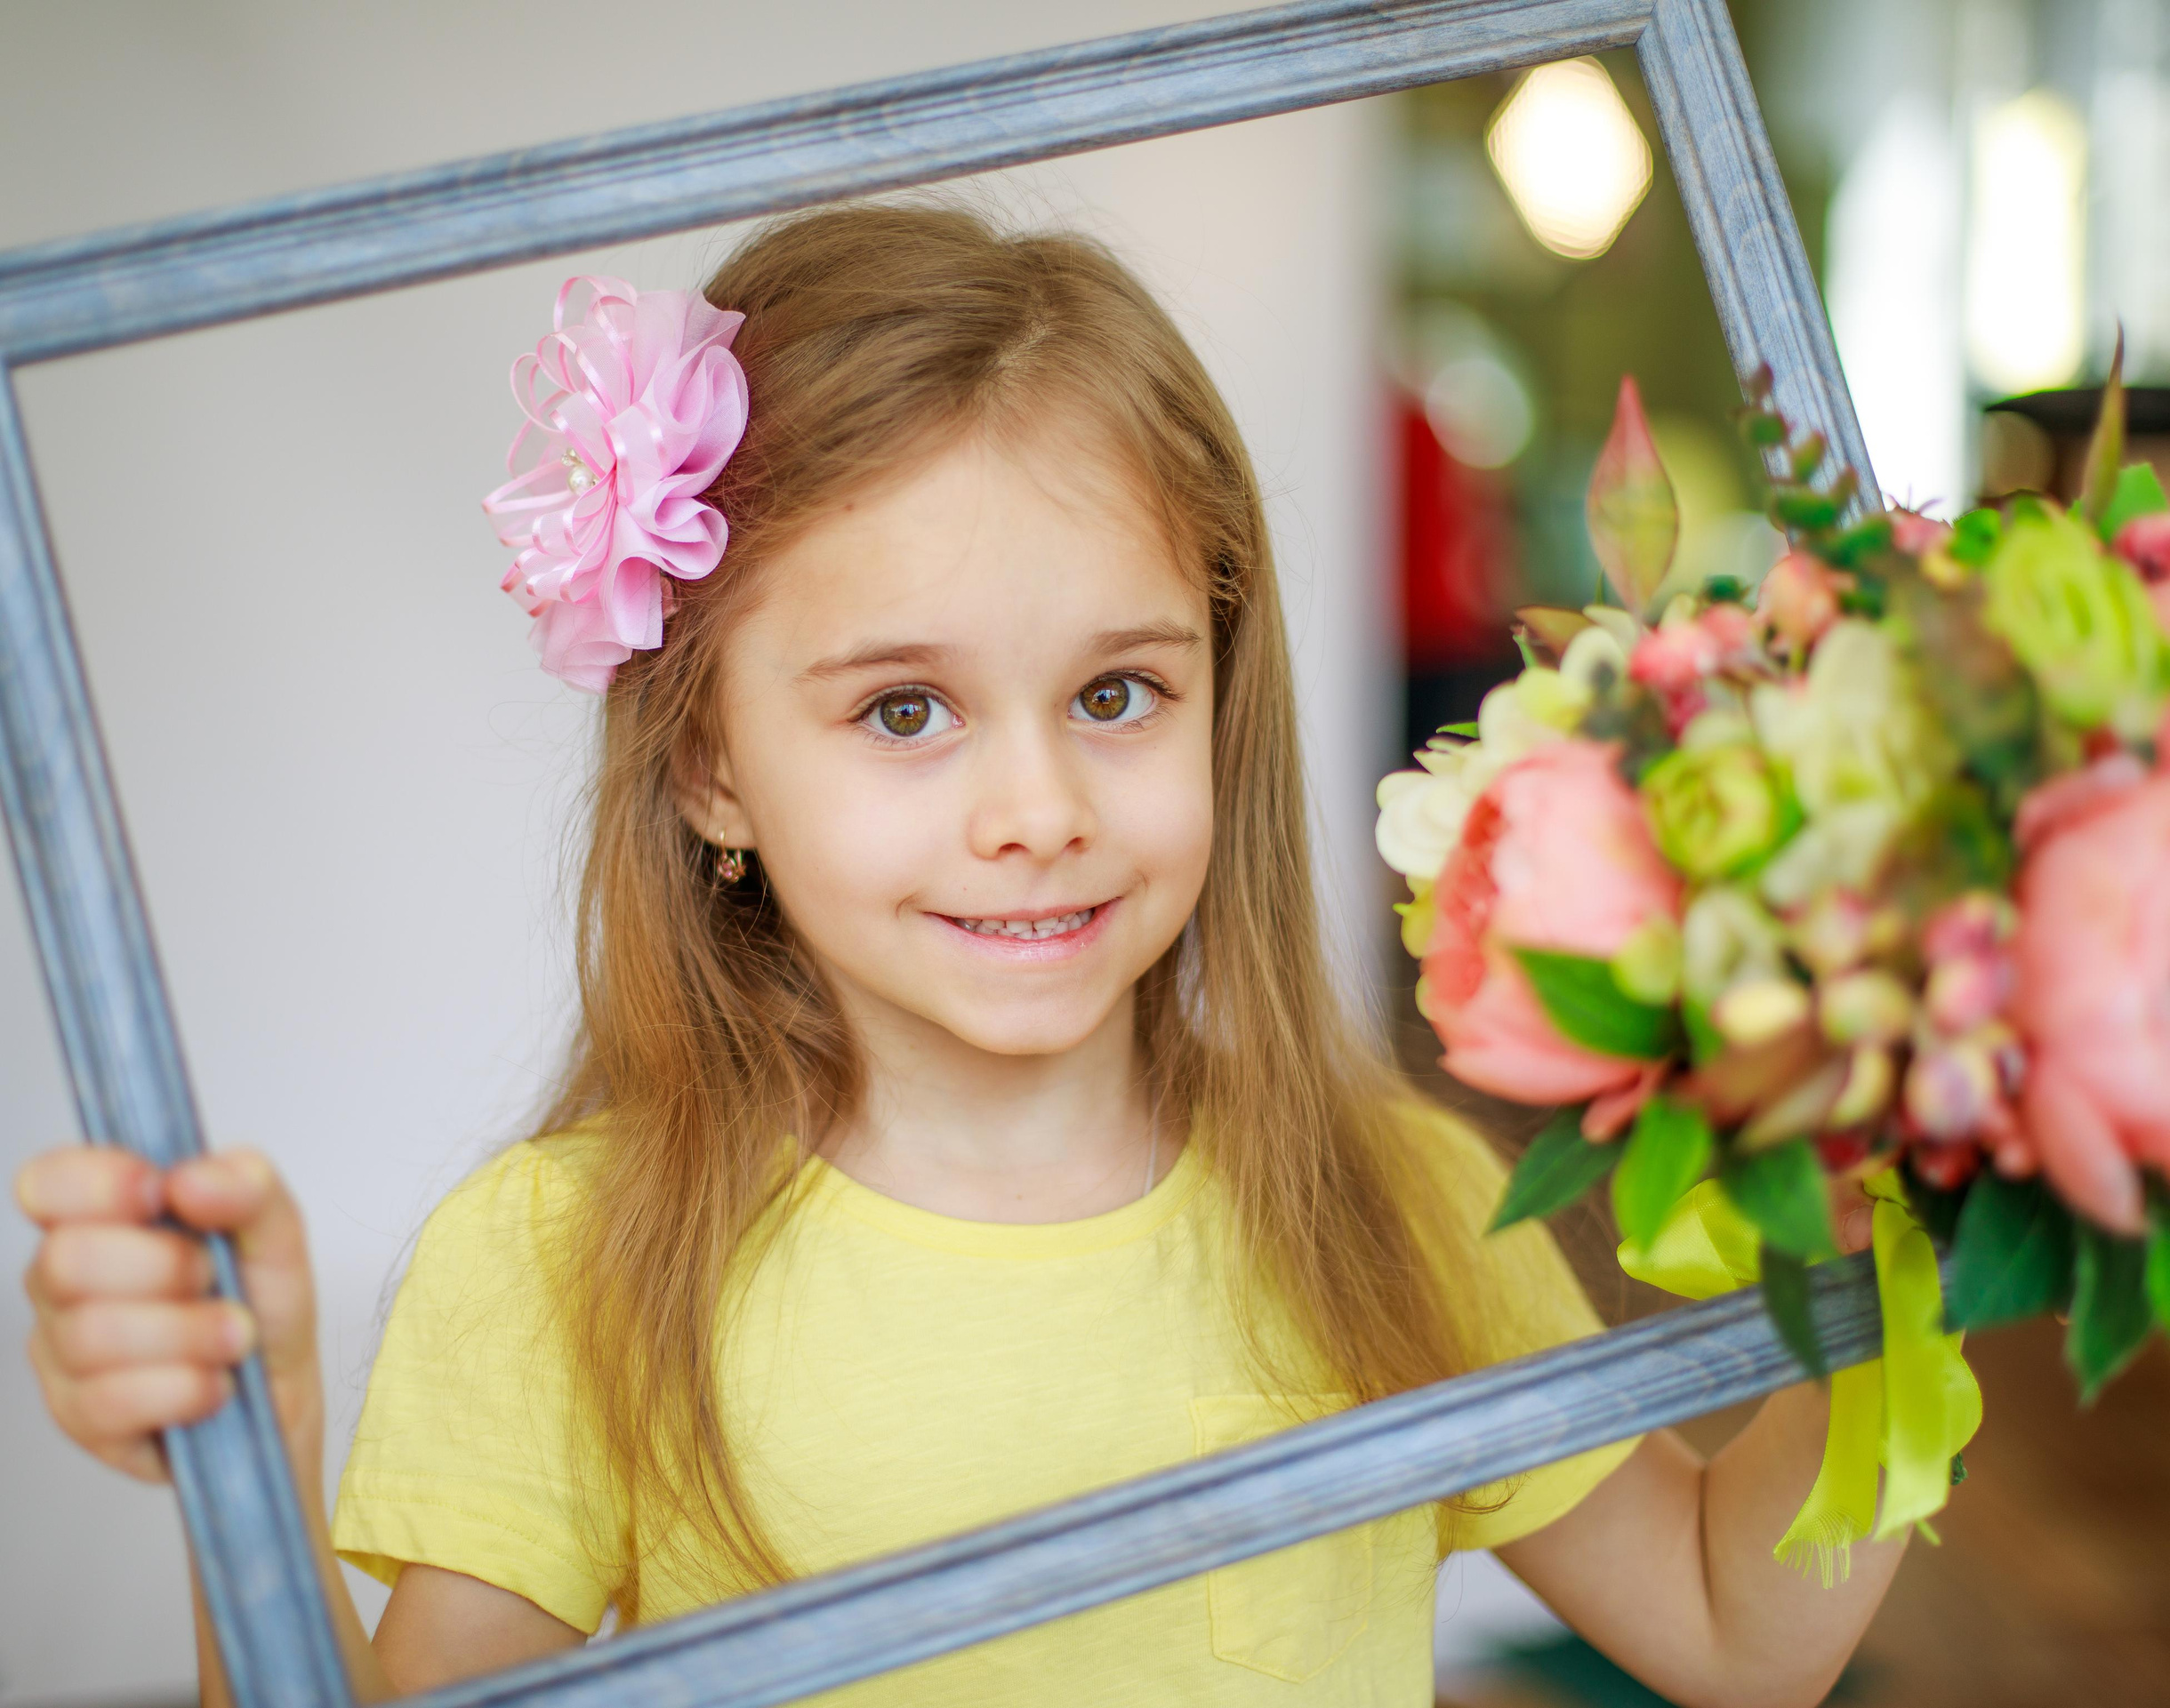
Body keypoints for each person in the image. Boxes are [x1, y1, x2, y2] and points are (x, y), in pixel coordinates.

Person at [14, 203, 1896, 1708]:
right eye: (904, 711)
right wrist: (240, 1458)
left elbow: (1746, 1631)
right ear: (708, 764)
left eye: (1114, 691)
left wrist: (1948, 1186)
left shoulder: (1374, 1191)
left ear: (1220, 693)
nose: (1035, 807)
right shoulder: (573, 1259)